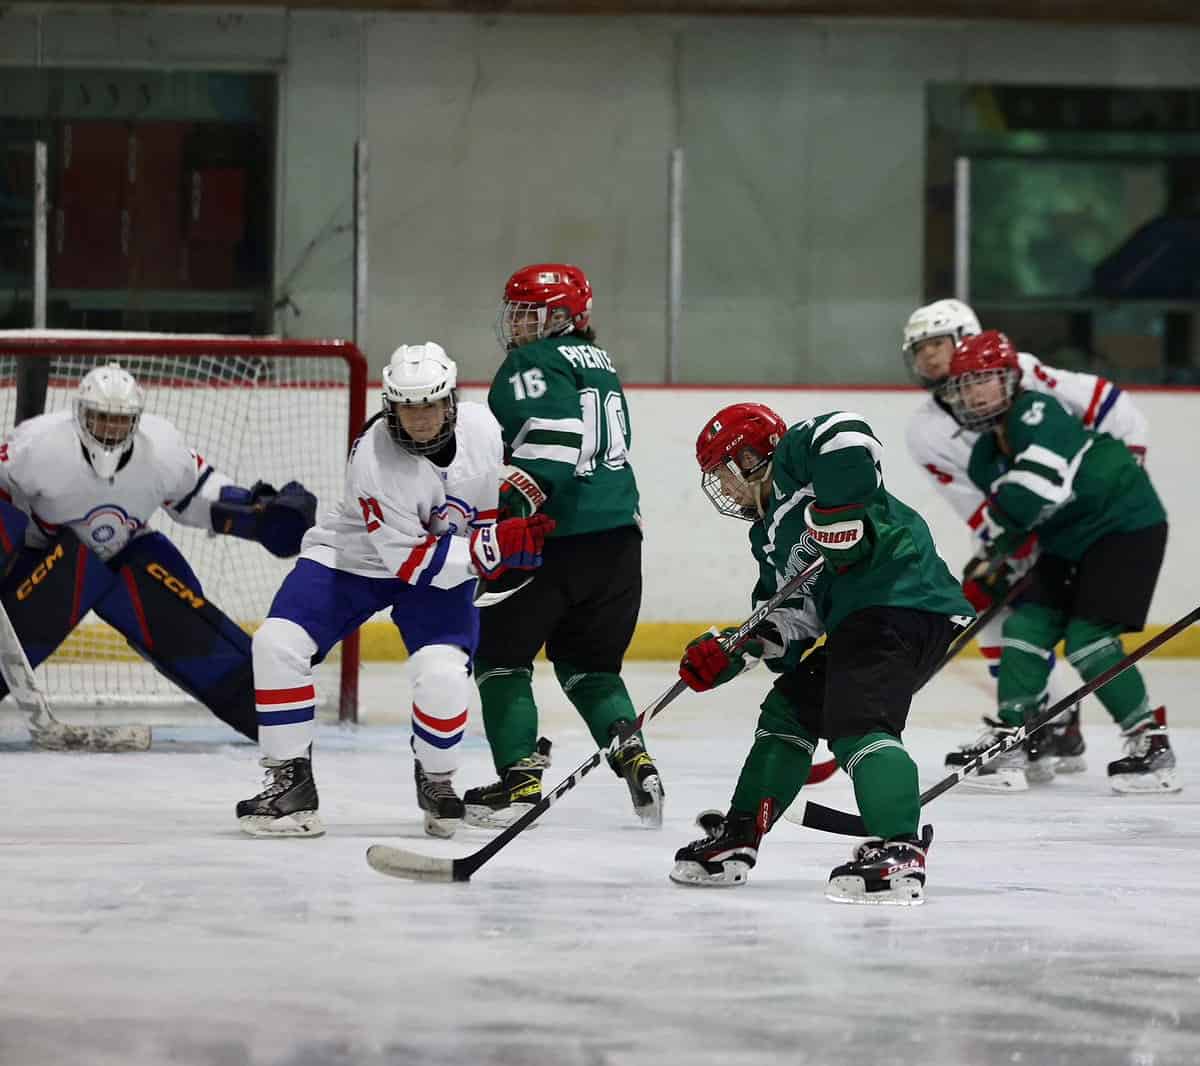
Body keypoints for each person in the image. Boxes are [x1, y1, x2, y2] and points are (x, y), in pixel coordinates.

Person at [237, 343, 554, 839]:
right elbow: (410, 562)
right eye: (408, 406)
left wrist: (520, 521)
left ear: (450, 401)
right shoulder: (374, 460)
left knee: (443, 675)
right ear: (391, 406)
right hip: (358, 559)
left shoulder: (484, 430)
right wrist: (493, 549)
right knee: (277, 644)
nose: (420, 418)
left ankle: (436, 778)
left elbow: (504, 494)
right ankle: (290, 785)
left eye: (430, 404)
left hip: (444, 564)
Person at [672, 402, 973, 904]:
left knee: (857, 720)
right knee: (788, 708)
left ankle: (900, 851)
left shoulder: (795, 461)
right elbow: (790, 621)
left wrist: (838, 513)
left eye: (725, 471)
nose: (723, 488)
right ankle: (739, 837)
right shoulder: (767, 538)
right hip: (861, 620)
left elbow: (848, 435)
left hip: (905, 598)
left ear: (751, 457)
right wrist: (735, 649)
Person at [901, 298, 1149, 788]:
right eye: (919, 349)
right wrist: (1002, 548)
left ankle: (1094, 730)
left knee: (1080, 630)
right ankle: (1045, 727)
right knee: (1001, 616)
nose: (929, 357)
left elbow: (1113, 407)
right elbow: (973, 498)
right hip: (1024, 522)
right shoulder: (925, 430)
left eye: (938, 344)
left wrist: (1121, 479)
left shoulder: (1024, 376)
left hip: (1088, 516)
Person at [0, 361, 317, 740]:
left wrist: (258, 511)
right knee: (24, 628)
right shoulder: (37, 446)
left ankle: (274, 716)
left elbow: (200, 495)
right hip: (48, 557)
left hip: (128, 551)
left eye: (120, 421)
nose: (110, 430)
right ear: (80, 415)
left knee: (188, 630)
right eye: (101, 419)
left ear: (136, 421)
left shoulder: (162, 448)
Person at [462, 263, 664, 830]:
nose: (516, 323)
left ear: (559, 316)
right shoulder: (601, 363)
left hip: (551, 539)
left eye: (528, 311)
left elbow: (553, 443)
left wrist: (510, 509)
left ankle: (518, 782)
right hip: (620, 541)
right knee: (590, 667)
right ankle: (636, 758)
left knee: (501, 661)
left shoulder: (531, 361)